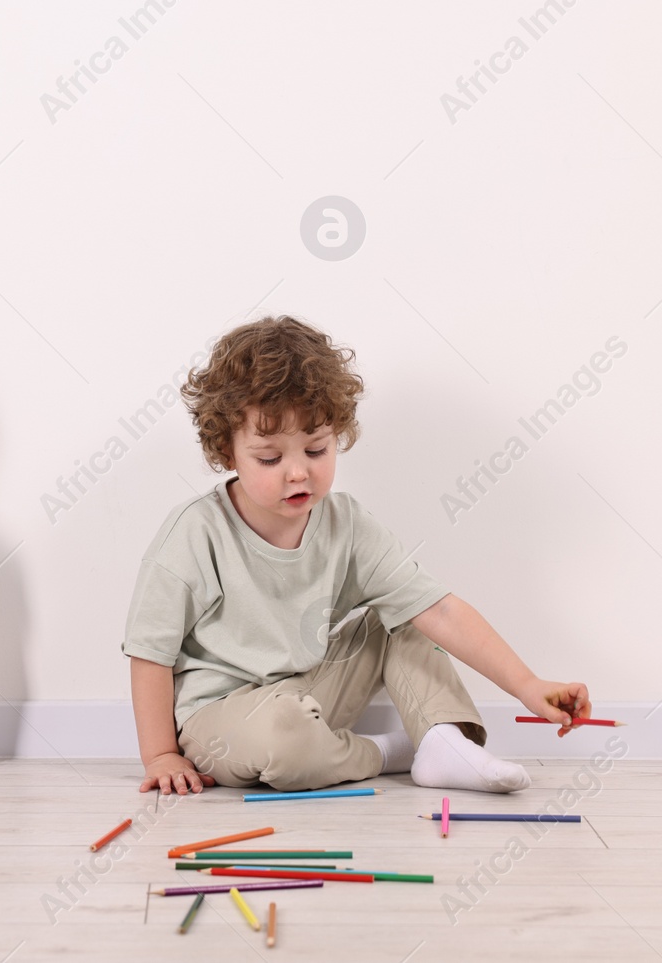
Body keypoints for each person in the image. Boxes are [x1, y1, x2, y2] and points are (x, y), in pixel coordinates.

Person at [122, 315, 590, 796]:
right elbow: (150, 652)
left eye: (317, 449)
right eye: (269, 458)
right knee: (285, 737)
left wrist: (528, 684)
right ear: (228, 449)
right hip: (224, 718)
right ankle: (395, 751)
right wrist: (160, 754)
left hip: (312, 691)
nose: (298, 473)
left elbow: (440, 610)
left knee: (407, 615)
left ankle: (441, 740)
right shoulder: (195, 533)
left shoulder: (346, 523)